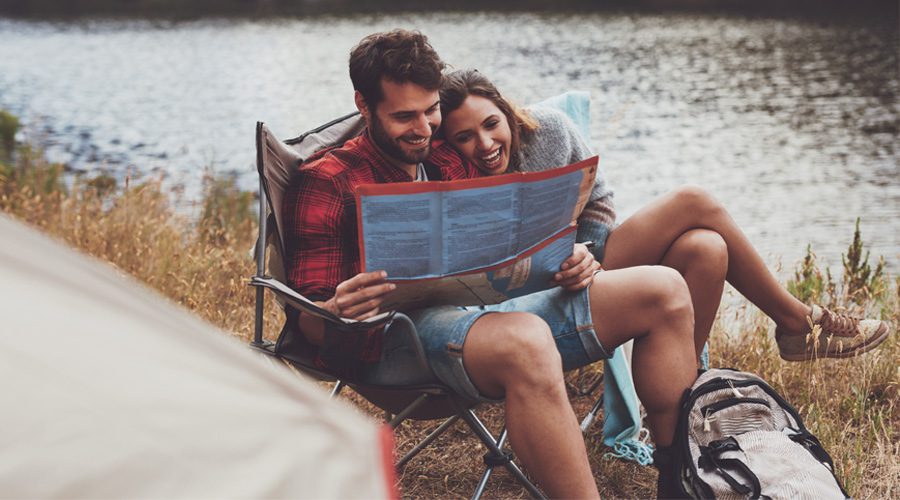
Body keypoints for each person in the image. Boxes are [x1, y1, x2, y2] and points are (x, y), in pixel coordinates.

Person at [282, 29, 697, 498]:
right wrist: (335, 309)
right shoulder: (327, 181)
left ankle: (678, 477)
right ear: (364, 105)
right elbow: (308, 320)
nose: (423, 128)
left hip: (489, 316)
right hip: (396, 341)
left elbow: (512, 243)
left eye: (430, 110)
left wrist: (571, 254)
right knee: (526, 340)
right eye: (404, 116)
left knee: (663, 289)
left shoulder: (444, 157)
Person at [439, 68, 891, 363]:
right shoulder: (452, 177)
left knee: (706, 247)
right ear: (448, 142)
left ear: (505, 111)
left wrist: (587, 252)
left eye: (490, 123)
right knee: (693, 200)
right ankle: (797, 323)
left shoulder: (549, 132)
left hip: (592, 260)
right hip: (530, 294)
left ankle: (684, 393)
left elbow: (597, 199)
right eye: (464, 136)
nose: (484, 144)